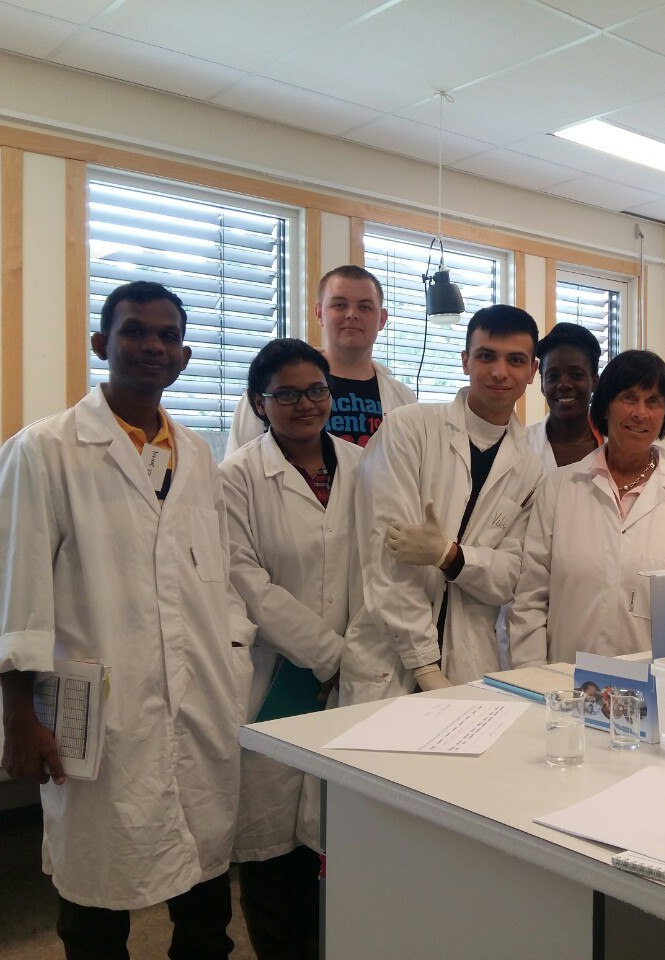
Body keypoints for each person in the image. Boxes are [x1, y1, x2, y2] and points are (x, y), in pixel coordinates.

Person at [0, 280, 253, 960]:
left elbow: (211, 577)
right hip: (98, 711)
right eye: (134, 331)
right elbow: (15, 592)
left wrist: (233, 660)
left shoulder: (198, 455)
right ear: (102, 343)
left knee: (205, 893)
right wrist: (19, 717)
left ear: (184, 356)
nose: (152, 345)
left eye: (167, 335)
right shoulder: (45, 450)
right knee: (96, 890)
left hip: (200, 702)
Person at [221, 338, 362, 960]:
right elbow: (246, 581)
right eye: (286, 394)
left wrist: (352, 655)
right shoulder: (237, 477)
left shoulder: (362, 465)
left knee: (335, 834)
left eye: (316, 391)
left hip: (355, 675)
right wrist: (328, 654)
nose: (305, 404)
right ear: (259, 402)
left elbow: (379, 568)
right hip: (275, 675)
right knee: (271, 841)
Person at [340, 304, 545, 705]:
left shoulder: (529, 469)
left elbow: (509, 577)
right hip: (389, 661)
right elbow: (387, 559)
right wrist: (423, 665)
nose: (499, 372)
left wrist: (449, 556)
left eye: (515, 360)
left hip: (470, 662)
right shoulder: (408, 429)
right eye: (486, 356)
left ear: (532, 371)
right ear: (465, 361)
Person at [509, 350, 665, 666]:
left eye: (653, 401)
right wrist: (533, 675)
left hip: (658, 685)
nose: (640, 413)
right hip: (567, 682)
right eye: (629, 398)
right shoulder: (558, 489)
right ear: (605, 406)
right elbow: (530, 599)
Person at [225, 264, 415, 455]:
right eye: (339, 305)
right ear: (319, 313)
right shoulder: (268, 389)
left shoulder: (404, 399)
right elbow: (239, 466)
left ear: (382, 319)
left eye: (365, 307)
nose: (352, 314)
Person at [525, 321, 601, 469]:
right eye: (552, 377)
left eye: (576, 375)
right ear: (542, 386)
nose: (564, 385)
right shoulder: (521, 446)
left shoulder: (616, 444)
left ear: (594, 382)